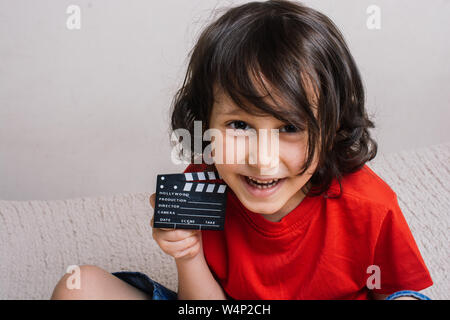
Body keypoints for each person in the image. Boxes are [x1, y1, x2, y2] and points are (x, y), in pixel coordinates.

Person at [50, 0, 433, 300]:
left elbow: (400, 292)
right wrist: (188, 254)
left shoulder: (369, 206)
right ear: (205, 121)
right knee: (78, 286)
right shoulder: (200, 188)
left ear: (332, 130)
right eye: (239, 125)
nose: (262, 159)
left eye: (290, 128)